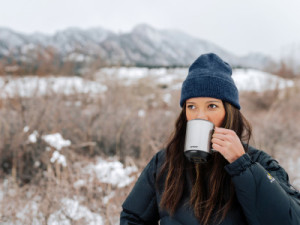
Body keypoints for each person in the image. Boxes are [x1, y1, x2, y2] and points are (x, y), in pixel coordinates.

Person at [120, 53, 300, 225]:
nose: (200, 116)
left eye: (212, 106)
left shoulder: (259, 163)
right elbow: (133, 217)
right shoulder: (164, 162)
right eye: (191, 106)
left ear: (229, 112)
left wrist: (241, 164)